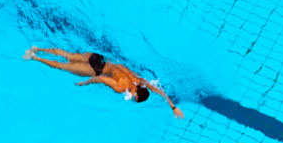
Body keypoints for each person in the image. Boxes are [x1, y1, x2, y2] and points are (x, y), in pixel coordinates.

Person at [25, 47, 183, 118]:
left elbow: (160, 91)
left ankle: (38, 49)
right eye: (134, 98)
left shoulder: (140, 80)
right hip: (96, 70)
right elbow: (100, 78)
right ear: (136, 94)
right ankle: (34, 57)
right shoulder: (121, 88)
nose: (132, 97)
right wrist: (85, 83)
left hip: (100, 58)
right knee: (62, 66)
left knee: (68, 55)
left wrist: (173, 107)